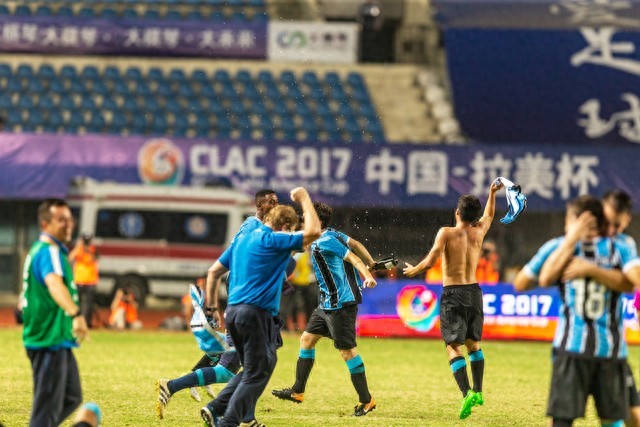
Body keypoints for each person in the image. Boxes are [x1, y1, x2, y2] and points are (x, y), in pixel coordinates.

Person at [514, 190, 640, 427]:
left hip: (574, 349)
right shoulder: (620, 246)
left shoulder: (558, 247)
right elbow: (632, 282)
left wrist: (582, 258)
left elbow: (530, 282)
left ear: (575, 221)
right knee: (615, 419)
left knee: (565, 420)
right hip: (608, 351)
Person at [200, 187, 321, 427]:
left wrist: (212, 308)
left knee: (257, 366)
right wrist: (304, 198)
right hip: (255, 313)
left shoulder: (243, 239)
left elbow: (213, 272)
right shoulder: (274, 239)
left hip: (234, 312)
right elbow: (314, 232)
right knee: (257, 372)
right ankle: (229, 422)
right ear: (283, 226)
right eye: (290, 228)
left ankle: (216, 408)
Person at [403, 180, 504, 419]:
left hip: (453, 294)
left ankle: (466, 393)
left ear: (457, 212)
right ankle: (478, 391)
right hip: (474, 292)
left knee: (452, 346)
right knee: (473, 344)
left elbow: (431, 260)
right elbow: (490, 215)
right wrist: (492, 193)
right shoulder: (479, 231)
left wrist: (413, 270)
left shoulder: (446, 233)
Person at [271, 202, 378, 416]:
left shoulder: (327, 240)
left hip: (340, 305)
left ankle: (367, 400)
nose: (303, 222)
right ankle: (297, 391)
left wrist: (368, 275)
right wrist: (372, 261)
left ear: (317, 221)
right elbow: (355, 243)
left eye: (306, 218)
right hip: (326, 304)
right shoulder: (332, 234)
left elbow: (353, 257)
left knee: (347, 352)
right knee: (306, 340)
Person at [21, 198, 89, 427]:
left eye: (70, 219)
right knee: (46, 411)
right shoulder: (48, 252)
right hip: (48, 341)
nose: (68, 224)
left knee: (72, 397)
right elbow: (54, 284)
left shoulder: (44, 251)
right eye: (61, 220)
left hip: (57, 340)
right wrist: (76, 314)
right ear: (45, 224)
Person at [69, 232, 99, 328]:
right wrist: (79, 247)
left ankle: (87, 322)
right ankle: (75, 321)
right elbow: (70, 257)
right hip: (79, 279)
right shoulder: (79, 249)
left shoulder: (92, 249)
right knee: (76, 301)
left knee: (89, 303)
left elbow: (94, 258)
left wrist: (87, 250)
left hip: (90, 280)